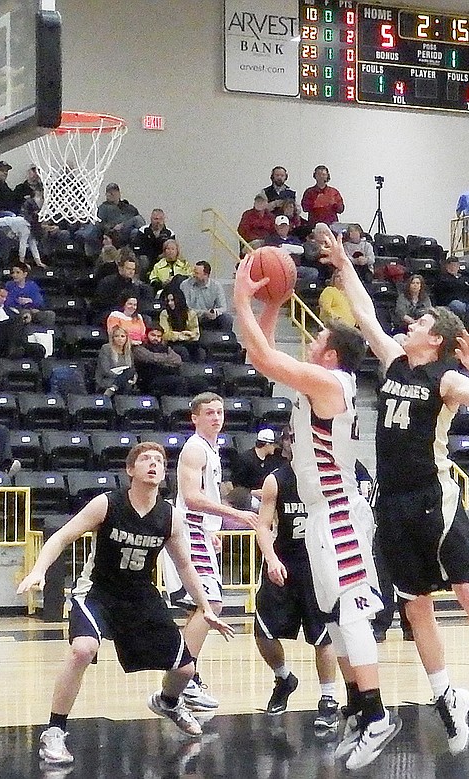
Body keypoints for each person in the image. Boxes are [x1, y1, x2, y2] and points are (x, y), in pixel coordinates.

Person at [311, 225, 469, 755]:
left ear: (436, 339)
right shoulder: (392, 361)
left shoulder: (449, 380)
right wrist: (343, 264)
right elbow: (363, 312)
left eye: (421, 321)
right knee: (416, 607)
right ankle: (445, 695)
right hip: (392, 500)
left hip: (434, 496)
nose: (410, 322)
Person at [233, 263, 401, 771]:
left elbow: (262, 354)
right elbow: (259, 360)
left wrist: (242, 297)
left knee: (350, 612)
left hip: (341, 513)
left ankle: (376, 715)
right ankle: (356, 710)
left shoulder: (331, 382)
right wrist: (271, 305)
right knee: (335, 614)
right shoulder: (322, 382)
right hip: (324, 512)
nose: (310, 340)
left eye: (318, 336)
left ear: (330, 353)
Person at [16, 441, 234, 765]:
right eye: (145, 459)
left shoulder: (170, 517)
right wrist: (38, 570)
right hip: (97, 591)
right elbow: (61, 536)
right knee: (82, 650)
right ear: (130, 470)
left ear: (163, 473)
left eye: (158, 460)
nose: (153, 464)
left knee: (185, 668)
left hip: (140, 594)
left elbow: (186, 566)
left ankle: (169, 702)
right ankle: (54, 731)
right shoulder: (107, 504)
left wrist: (204, 607)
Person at [161, 394, 257, 713]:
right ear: (195, 418)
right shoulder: (195, 447)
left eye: (220, 412)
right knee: (211, 602)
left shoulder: (212, 448)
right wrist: (236, 515)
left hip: (198, 530)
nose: (216, 417)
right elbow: (191, 497)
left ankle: (187, 677)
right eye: (209, 413)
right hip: (187, 528)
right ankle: (185, 677)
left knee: (199, 609)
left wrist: (212, 528)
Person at [254, 430, 339, 729]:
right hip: (285, 562)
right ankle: (283, 678)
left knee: (322, 635)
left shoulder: (328, 477)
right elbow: (263, 526)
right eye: (292, 439)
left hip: (319, 565)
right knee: (263, 632)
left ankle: (329, 699)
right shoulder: (276, 479)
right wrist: (272, 559)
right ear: (286, 445)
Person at [0, 281, 46, 360]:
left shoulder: (6, 308)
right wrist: (9, 323)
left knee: (38, 349)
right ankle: (13, 349)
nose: (4, 299)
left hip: (9, 340)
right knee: (15, 320)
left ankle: (18, 350)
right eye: (2, 296)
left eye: (5, 297)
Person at [77, 183, 145, 256]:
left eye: (114, 191)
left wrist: (122, 225)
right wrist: (113, 226)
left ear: (119, 193)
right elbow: (99, 224)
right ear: (106, 194)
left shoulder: (129, 208)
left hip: (126, 231)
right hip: (113, 233)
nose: (111, 194)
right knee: (137, 219)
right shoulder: (103, 208)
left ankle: (144, 244)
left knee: (137, 224)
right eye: (109, 192)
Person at [231, 429, 285, 499]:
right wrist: (251, 492)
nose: (275, 447)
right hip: (248, 499)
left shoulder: (272, 459)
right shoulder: (245, 459)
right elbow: (236, 484)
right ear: (267, 444)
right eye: (273, 445)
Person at [179, 261, 233, 331]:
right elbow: (185, 308)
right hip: (192, 318)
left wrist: (214, 312)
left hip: (209, 318)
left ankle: (225, 340)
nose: (193, 275)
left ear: (206, 275)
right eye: (194, 272)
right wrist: (203, 313)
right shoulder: (185, 285)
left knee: (227, 318)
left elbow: (223, 307)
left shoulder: (216, 286)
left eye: (197, 273)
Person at [264, 216, 317, 282]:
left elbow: (301, 250)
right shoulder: (271, 239)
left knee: (313, 272)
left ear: (288, 227)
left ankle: (297, 286)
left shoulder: (294, 239)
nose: (283, 228)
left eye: (285, 226)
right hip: (280, 268)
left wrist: (285, 247)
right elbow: (274, 252)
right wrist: (292, 249)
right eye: (281, 226)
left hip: (295, 267)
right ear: (276, 227)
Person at [4, 262, 56, 327]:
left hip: (33, 310)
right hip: (17, 311)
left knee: (50, 314)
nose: (14, 275)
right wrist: (18, 302)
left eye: (18, 272)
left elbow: (39, 301)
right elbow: (7, 302)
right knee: (26, 314)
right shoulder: (9, 285)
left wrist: (31, 301)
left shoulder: (32, 285)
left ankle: (43, 334)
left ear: (25, 274)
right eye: (13, 273)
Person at [160, 288, 204, 362]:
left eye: (172, 300)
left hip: (188, 342)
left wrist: (188, 335)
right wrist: (182, 335)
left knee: (201, 351)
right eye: (168, 301)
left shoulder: (190, 313)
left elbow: (196, 334)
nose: (170, 303)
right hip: (172, 343)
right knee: (182, 351)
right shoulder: (164, 313)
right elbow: (166, 334)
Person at [95, 325, 136, 397]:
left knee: (130, 372)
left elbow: (132, 370)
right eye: (116, 336)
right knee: (126, 384)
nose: (120, 339)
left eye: (122, 336)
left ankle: (113, 388)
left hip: (123, 380)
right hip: (107, 379)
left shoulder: (128, 351)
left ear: (126, 338)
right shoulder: (106, 348)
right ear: (112, 338)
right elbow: (105, 370)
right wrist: (122, 378)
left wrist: (134, 378)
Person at [135, 208, 176, 275]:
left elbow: (173, 249)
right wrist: (155, 255)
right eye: (156, 219)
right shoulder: (143, 230)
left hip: (163, 258)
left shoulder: (169, 233)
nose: (158, 222)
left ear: (164, 220)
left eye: (160, 219)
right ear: (151, 219)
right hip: (147, 257)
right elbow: (138, 249)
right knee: (143, 259)